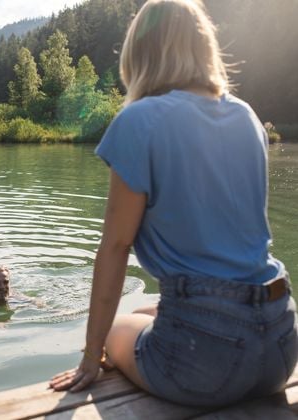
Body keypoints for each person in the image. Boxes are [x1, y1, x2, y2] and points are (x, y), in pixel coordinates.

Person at [49, 0, 297, 407]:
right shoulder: (247, 115)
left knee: (114, 329)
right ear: (204, 48)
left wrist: (92, 357)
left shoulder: (139, 120)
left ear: (140, 53)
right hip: (281, 341)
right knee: (150, 308)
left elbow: (115, 247)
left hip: (207, 363)